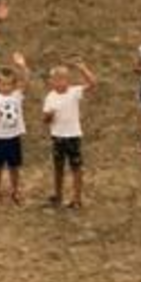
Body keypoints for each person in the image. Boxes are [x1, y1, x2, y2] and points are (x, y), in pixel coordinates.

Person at [41, 61, 97, 209]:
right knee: (58, 167)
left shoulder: (74, 91)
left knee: (76, 167)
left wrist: (83, 68)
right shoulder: (50, 97)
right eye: (57, 79)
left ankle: (77, 198)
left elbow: (92, 83)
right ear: (51, 82)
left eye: (64, 79)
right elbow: (45, 120)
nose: (61, 82)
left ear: (69, 80)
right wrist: (49, 116)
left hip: (73, 136)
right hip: (57, 137)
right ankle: (58, 195)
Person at [0, 51, 31, 205]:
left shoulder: (16, 96)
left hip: (13, 137)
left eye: (9, 84)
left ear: (13, 85)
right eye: (3, 84)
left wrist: (22, 66)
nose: (6, 87)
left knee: (14, 167)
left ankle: (15, 190)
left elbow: (26, 81)